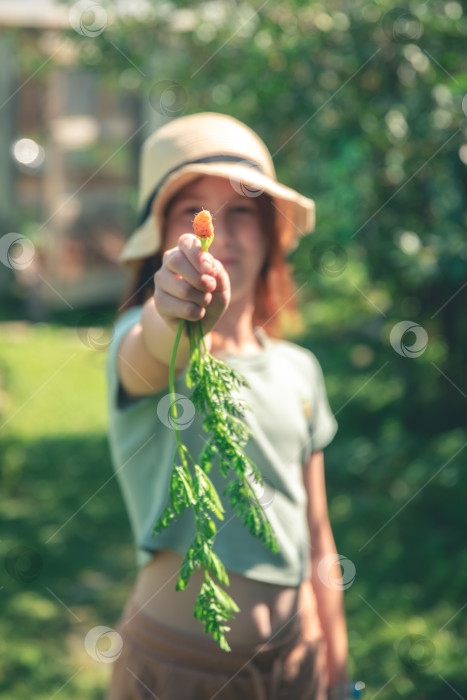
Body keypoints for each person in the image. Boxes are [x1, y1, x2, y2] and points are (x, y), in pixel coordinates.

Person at [105, 112, 359, 700]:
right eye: (192, 209)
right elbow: (153, 350)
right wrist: (173, 313)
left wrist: (338, 673)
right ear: (162, 238)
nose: (218, 226)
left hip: (299, 658)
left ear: (271, 232)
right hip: (180, 670)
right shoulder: (139, 341)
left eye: (243, 208)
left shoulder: (301, 370)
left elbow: (318, 536)